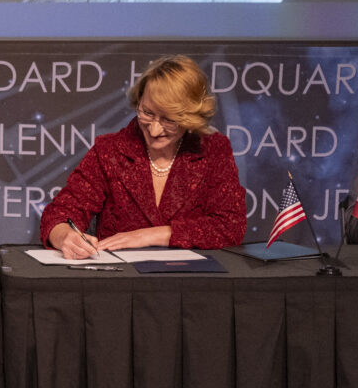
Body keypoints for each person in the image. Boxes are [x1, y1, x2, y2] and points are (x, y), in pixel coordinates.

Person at [41, 55, 247, 258]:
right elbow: (60, 213)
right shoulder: (110, 150)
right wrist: (64, 235)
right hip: (120, 277)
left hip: (192, 278)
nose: (154, 130)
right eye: (147, 113)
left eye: (169, 120)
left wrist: (151, 235)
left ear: (191, 117)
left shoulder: (213, 149)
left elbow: (230, 226)